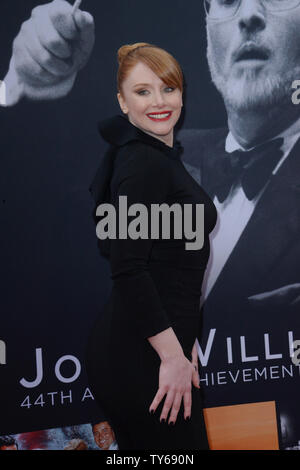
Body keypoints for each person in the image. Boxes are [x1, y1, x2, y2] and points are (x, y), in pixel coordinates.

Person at [85, 42, 217, 450]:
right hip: (143, 356)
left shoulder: (155, 157)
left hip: (155, 344)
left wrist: (183, 336)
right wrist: (172, 356)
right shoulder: (143, 164)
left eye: (168, 89)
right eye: (143, 91)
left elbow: (165, 262)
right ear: (122, 103)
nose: (159, 102)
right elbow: (129, 268)